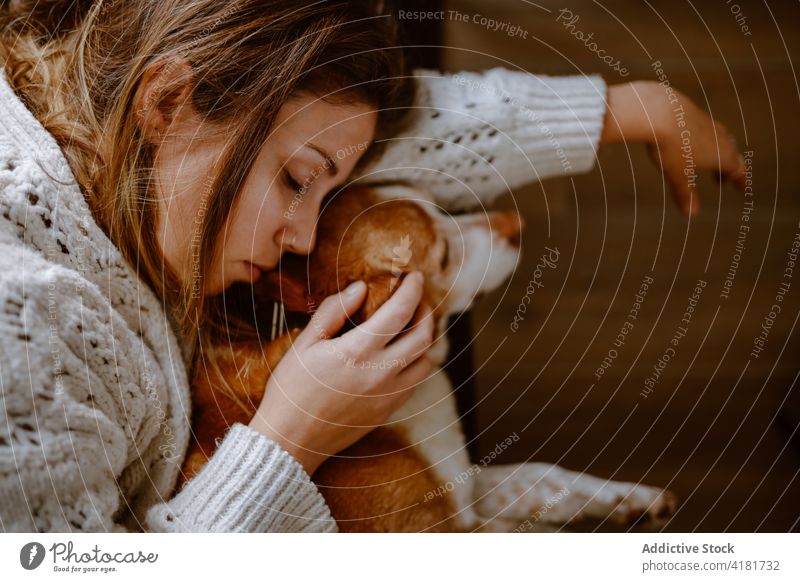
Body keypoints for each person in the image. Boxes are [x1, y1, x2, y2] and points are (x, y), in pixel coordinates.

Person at [0, 0, 746, 533]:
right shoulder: (25, 328)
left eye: (326, 189)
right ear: (167, 100)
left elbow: (392, 129)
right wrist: (290, 439)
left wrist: (626, 109)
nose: (301, 237)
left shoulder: (111, 123)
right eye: (297, 181)